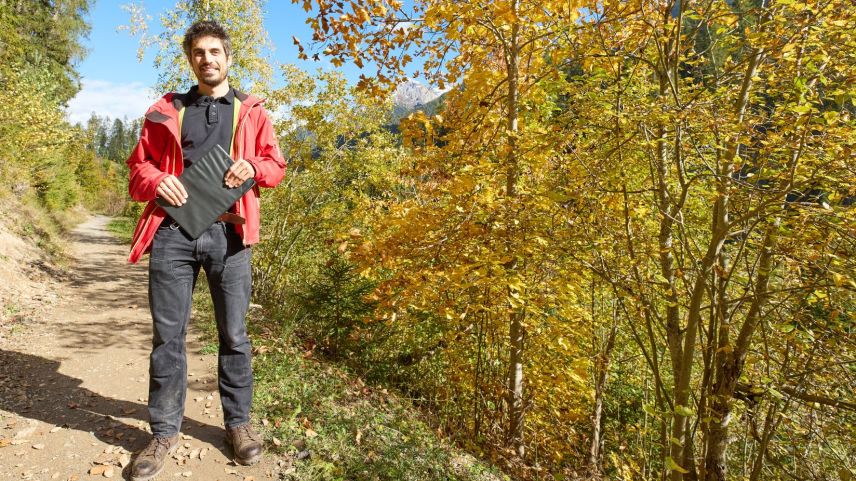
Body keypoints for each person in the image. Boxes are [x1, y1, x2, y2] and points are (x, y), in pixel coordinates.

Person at [125, 20, 286, 481]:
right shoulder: (166, 110)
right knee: (168, 337)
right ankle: (163, 433)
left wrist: (252, 166)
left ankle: (238, 426)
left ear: (228, 58)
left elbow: (275, 165)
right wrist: (160, 180)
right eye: (199, 52)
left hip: (230, 235)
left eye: (215, 51)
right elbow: (138, 172)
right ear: (190, 59)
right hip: (172, 233)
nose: (207, 59)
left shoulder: (251, 111)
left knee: (234, 335)